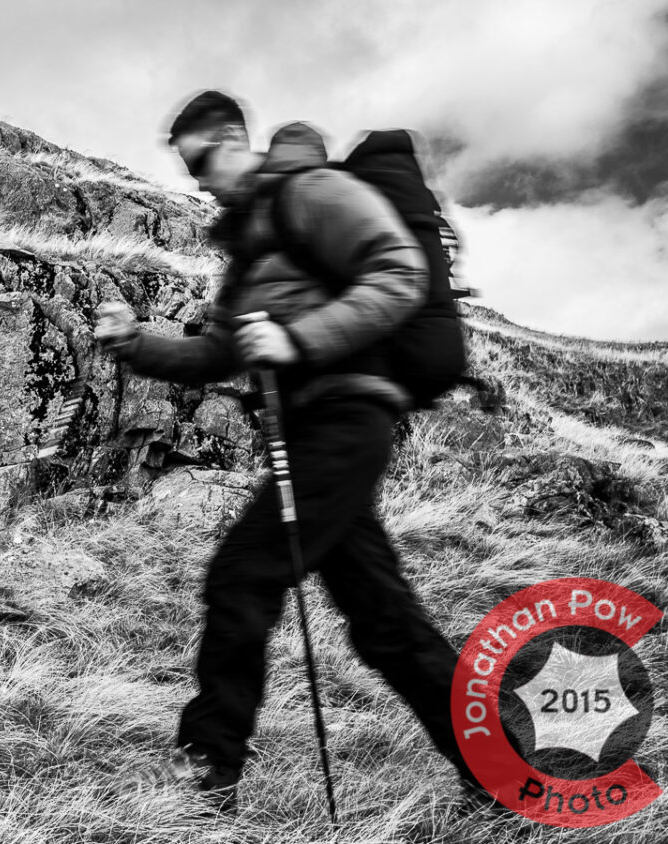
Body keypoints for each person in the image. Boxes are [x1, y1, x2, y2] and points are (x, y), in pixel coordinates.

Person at [95, 90, 475, 811]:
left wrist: (297, 339)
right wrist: (134, 344)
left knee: (243, 575)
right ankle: (504, 772)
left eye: (200, 163)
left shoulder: (310, 191)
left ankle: (205, 773)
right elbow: (219, 353)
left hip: (345, 418)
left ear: (232, 140)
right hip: (313, 432)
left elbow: (399, 271)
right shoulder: (251, 244)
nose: (198, 181)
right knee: (387, 624)